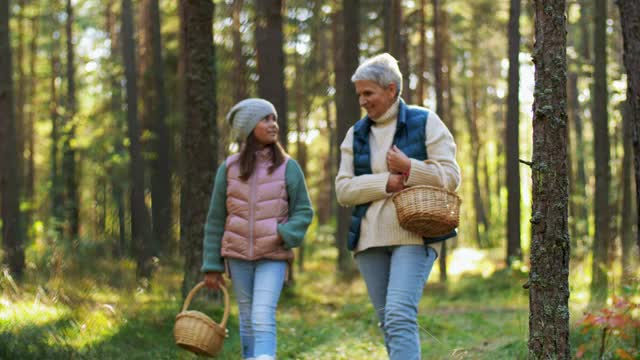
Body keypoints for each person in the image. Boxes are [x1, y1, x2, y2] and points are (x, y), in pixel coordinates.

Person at [335, 53, 461, 360]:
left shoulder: (425, 121)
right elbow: (343, 189)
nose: (363, 101)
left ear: (391, 89)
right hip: (369, 240)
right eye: (360, 94)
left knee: (399, 315)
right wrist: (385, 183)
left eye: (369, 93)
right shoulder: (356, 134)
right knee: (388, 322)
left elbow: (451, 177)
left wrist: (410, 167)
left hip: (415, 235)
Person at [202, 98, 314, 360]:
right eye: (266, 119)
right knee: (248, 319)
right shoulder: (228, 168)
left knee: (262, 315)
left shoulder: (289, 167)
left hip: (272, 256)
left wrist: (283, 234)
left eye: (274, 118)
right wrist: (211, 265)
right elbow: (216, 218)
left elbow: (304, 211)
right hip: (237, 256)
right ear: (249, 127)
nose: (273, 124)